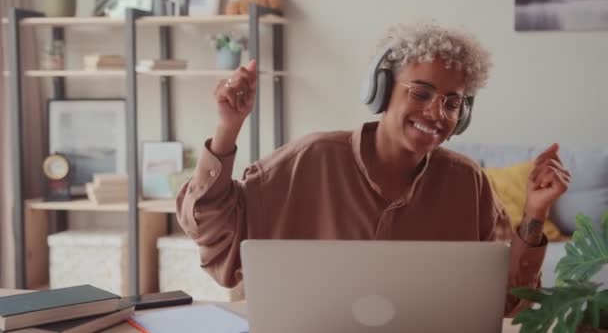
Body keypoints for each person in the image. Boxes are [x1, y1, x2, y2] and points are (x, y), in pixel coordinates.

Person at [176, 22, 570, 317]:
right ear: (382, 90)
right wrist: (227, 128)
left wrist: (535, 212)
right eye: (421, 93)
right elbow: (213, 229)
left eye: (453, 102)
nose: (437, 113)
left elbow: (508, 300)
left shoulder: (467, 183)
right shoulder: (310, 159)